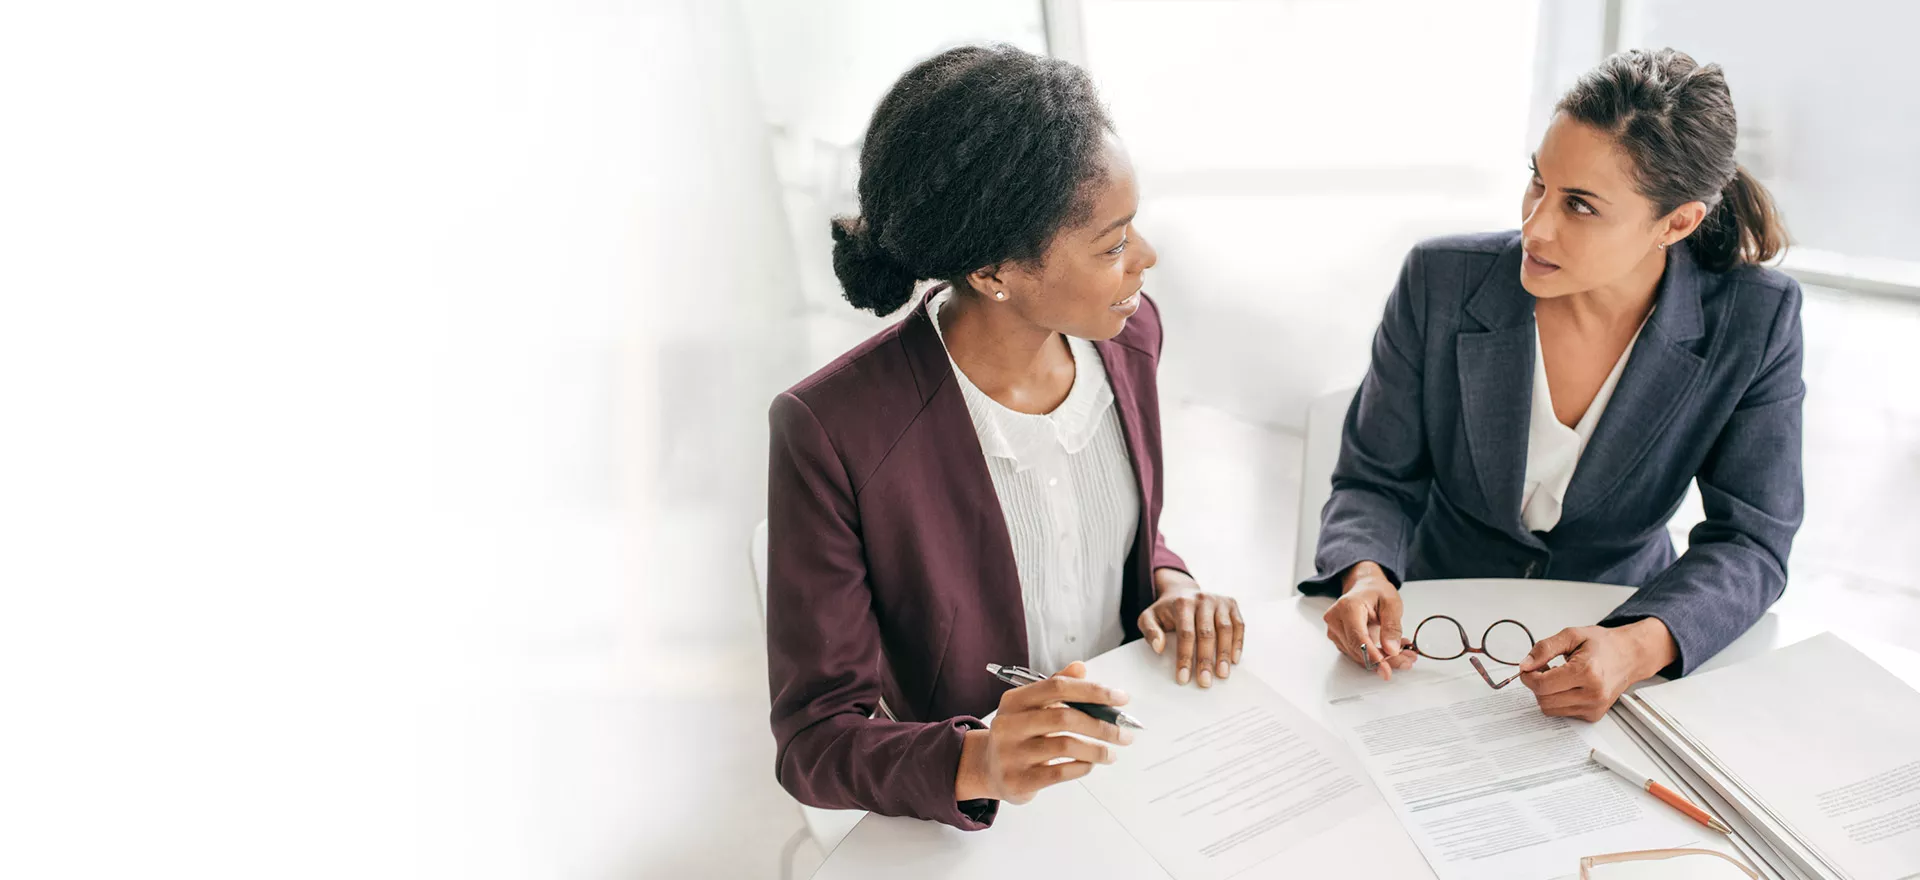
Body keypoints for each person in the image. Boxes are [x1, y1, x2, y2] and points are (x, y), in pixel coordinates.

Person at [765, 44, 1243, 830]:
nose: (1146, 260)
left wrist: (1172, 586)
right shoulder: (833, 430)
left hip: (1136, 768)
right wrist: (978, 759)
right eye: (1114, 243)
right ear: (995, 272)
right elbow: (812, 740)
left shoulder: (1130, 337)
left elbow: (1129, 534)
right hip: (982, 821)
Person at [1304, 49, 1803, 721]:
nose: (1535, 226)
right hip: (1433, 633)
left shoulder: (1754, 320)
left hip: (1614, 632)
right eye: (1537, 182)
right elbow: (1375, 481)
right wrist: (1367, 573)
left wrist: (1638, 646)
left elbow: (1752, 541)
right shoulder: (1440, 281)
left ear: (1677, 222)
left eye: (1580, 205)